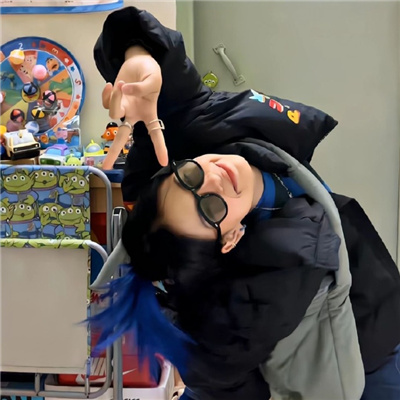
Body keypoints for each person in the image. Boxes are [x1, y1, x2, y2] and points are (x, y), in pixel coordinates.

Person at [91, 6, 400, 400]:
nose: (214, 179)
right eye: (211, 209)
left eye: (189, 177)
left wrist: (138, 57)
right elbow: (222, 375)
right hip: (362, 353)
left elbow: (153, 53)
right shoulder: (264, 278)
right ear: (231, 238)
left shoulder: (198, 135)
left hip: (379, 312)